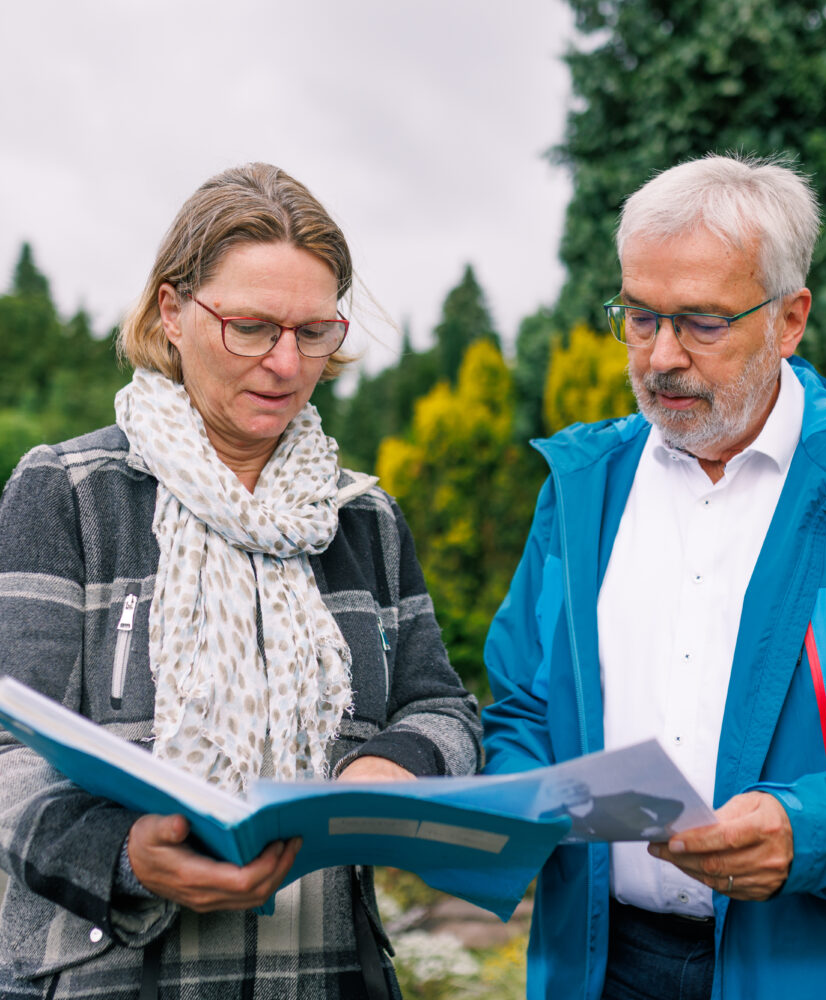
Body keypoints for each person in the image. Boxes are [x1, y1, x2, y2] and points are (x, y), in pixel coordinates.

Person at [481, 153, 826, 1000]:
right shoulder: (583, 490)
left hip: (819, 971)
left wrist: (809, 831)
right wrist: (503, 802)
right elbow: (526, 708)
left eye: (702, 323)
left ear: (790, 319)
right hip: (599, 967)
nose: (661, 357)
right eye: (640, 317)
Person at [0, 163, 482, 1000]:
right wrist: (121, 852)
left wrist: (396, 767)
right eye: (252, 327)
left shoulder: (360, 519)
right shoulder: (71, 494)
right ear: (173, 312)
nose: (285, 363)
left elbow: (442, 708)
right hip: (105, 972)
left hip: (327, 972)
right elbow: (6, 745)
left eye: (314, 331)